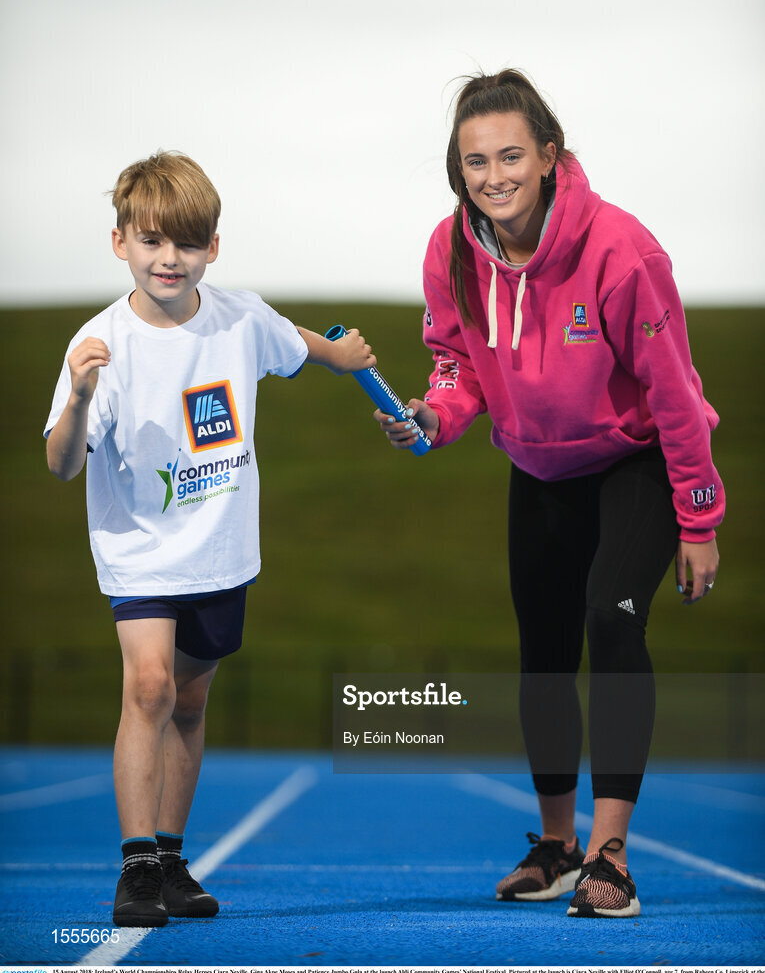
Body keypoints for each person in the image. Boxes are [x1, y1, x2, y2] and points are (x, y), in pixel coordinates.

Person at [375, 70, 723, 918]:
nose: (492, 177)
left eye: (509, 156)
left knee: (611, 620)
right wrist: (433, 414)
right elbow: (456, 366)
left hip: (628, 464)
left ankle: (610, 857)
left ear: (548, 156)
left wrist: (698, 515)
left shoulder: (620, 250)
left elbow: (672, 391)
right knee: (541, 656)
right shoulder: (449, 250)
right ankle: (557, 847)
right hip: (535, 466)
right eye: (473, 162)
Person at [44, 151, 375, 928]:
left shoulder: (238, 316)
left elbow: (288, 341)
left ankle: (170, 856)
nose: (169, 259)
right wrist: (82, 397)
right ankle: (135, 870)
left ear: (212, 249)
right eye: (152, 241)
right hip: (141, 555)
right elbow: (61, 465)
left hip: (221, 552)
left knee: (189, 701)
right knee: (150, 687)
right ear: (119, 241)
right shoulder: (99, 345)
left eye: (187, 244)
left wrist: (339, 356)